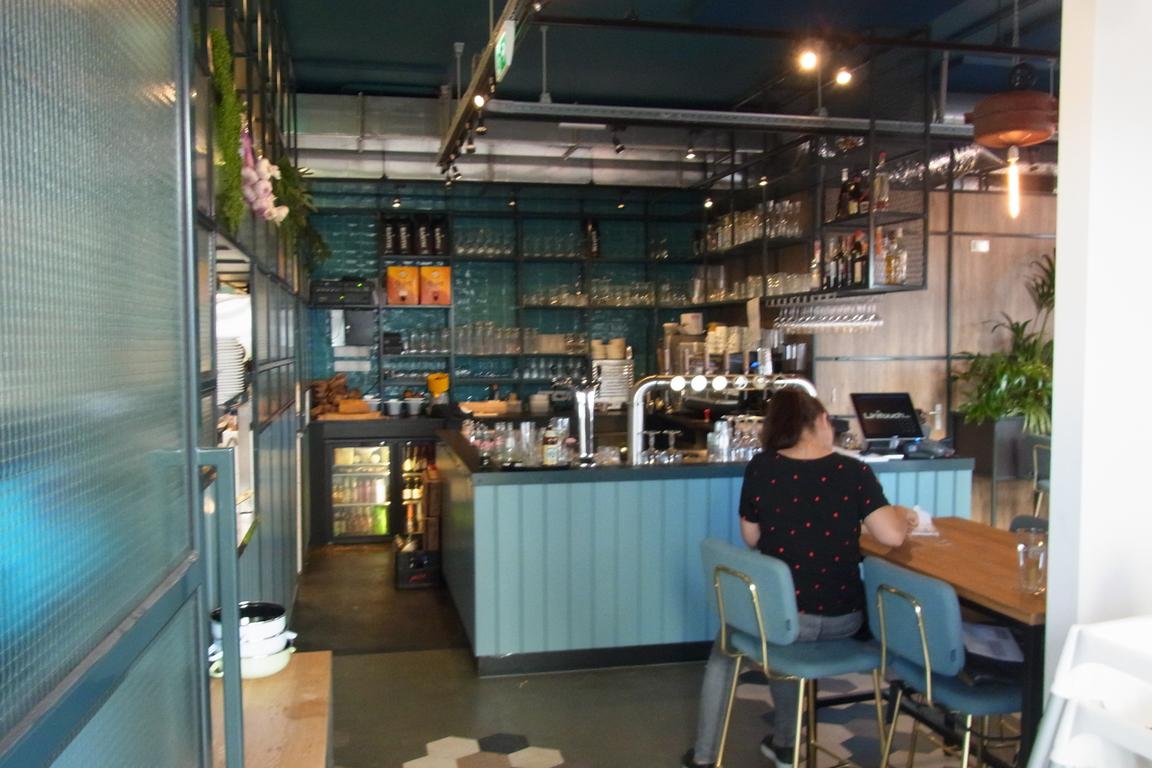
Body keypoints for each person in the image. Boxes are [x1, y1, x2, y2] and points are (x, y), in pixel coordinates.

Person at [683, 388, 918, 768]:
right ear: (822, 420)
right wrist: (902, 515)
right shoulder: (854, 471)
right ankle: (784, 744)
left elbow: (751, 537)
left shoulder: (762, 467)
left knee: (732, 647)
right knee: (784, 630)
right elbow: (891, 536)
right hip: (843, 619)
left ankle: (706, 756)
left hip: (782, 620)